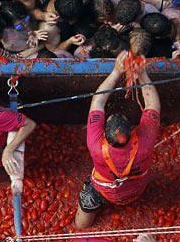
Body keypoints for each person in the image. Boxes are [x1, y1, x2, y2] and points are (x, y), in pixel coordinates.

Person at [74, 51, 161, 229]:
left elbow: (98, 102)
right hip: (136, 190)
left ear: (104, 134)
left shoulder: (95, 144)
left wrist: (116, 72)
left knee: (85, 207)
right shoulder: (144, 142)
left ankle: (79, 228)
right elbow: (152, 104)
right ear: (132, 132)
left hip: (104, 191)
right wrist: (142, 72)